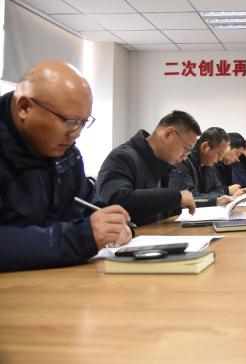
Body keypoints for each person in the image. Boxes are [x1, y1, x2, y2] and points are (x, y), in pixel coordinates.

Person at [0, 61, 131, 273]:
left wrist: (113, 225)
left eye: (83, 122)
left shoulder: (67, 155)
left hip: (63, 281)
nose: (76, 133)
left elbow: (90, 205)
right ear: (24, 107)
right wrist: (81, 238)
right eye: (69, 121)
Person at [96, 111, 201, 227]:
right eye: (186, 149)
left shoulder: (165, 166)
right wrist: (176, 197)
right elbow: (116, 201)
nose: (185, 157)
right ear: (168, 134)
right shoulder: (122, 157)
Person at [166, 127, 246, 214]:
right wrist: (215, 200)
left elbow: (219, 190)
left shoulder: (208, 163)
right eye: (219, 153)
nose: (220, 158)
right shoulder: (182, 161)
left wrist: (207, 198)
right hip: (178, 217)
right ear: (205, 147)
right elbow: (188, 199)